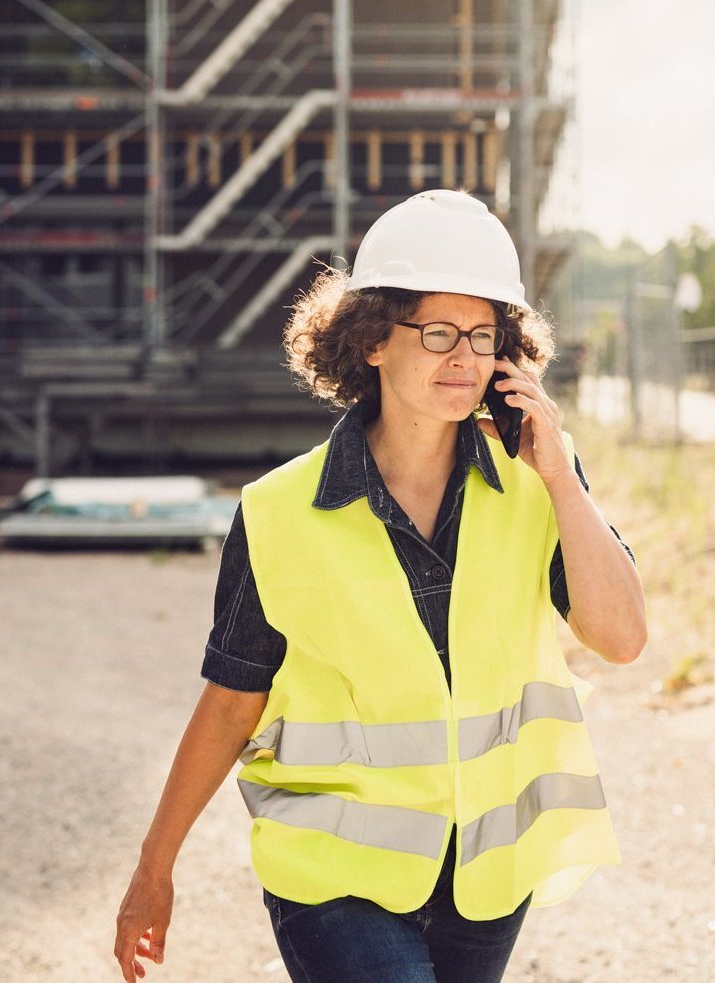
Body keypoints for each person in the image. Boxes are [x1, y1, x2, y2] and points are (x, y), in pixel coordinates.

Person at [114, 189, 646, 983]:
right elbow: (231, 698)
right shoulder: (277, 512)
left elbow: (621, 637)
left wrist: (561, 471)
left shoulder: (538, 483)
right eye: (436, 332)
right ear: (370, 340)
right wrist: (154, 866)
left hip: (485, 874)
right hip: (331, 869)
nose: (464, 359)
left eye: (483, 335)